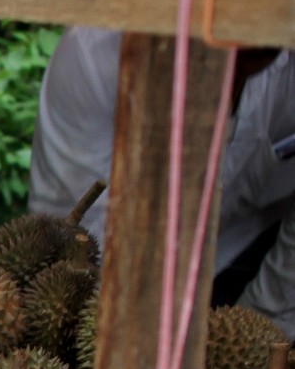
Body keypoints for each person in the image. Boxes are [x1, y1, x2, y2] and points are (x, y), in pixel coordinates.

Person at [28, 25, 295, 333]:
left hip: (255, 250)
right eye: (203, 55)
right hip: (129, 269)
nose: (223, 80)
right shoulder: (93, 54)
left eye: (250, 57)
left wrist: (262, 328)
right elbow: (77, 233)